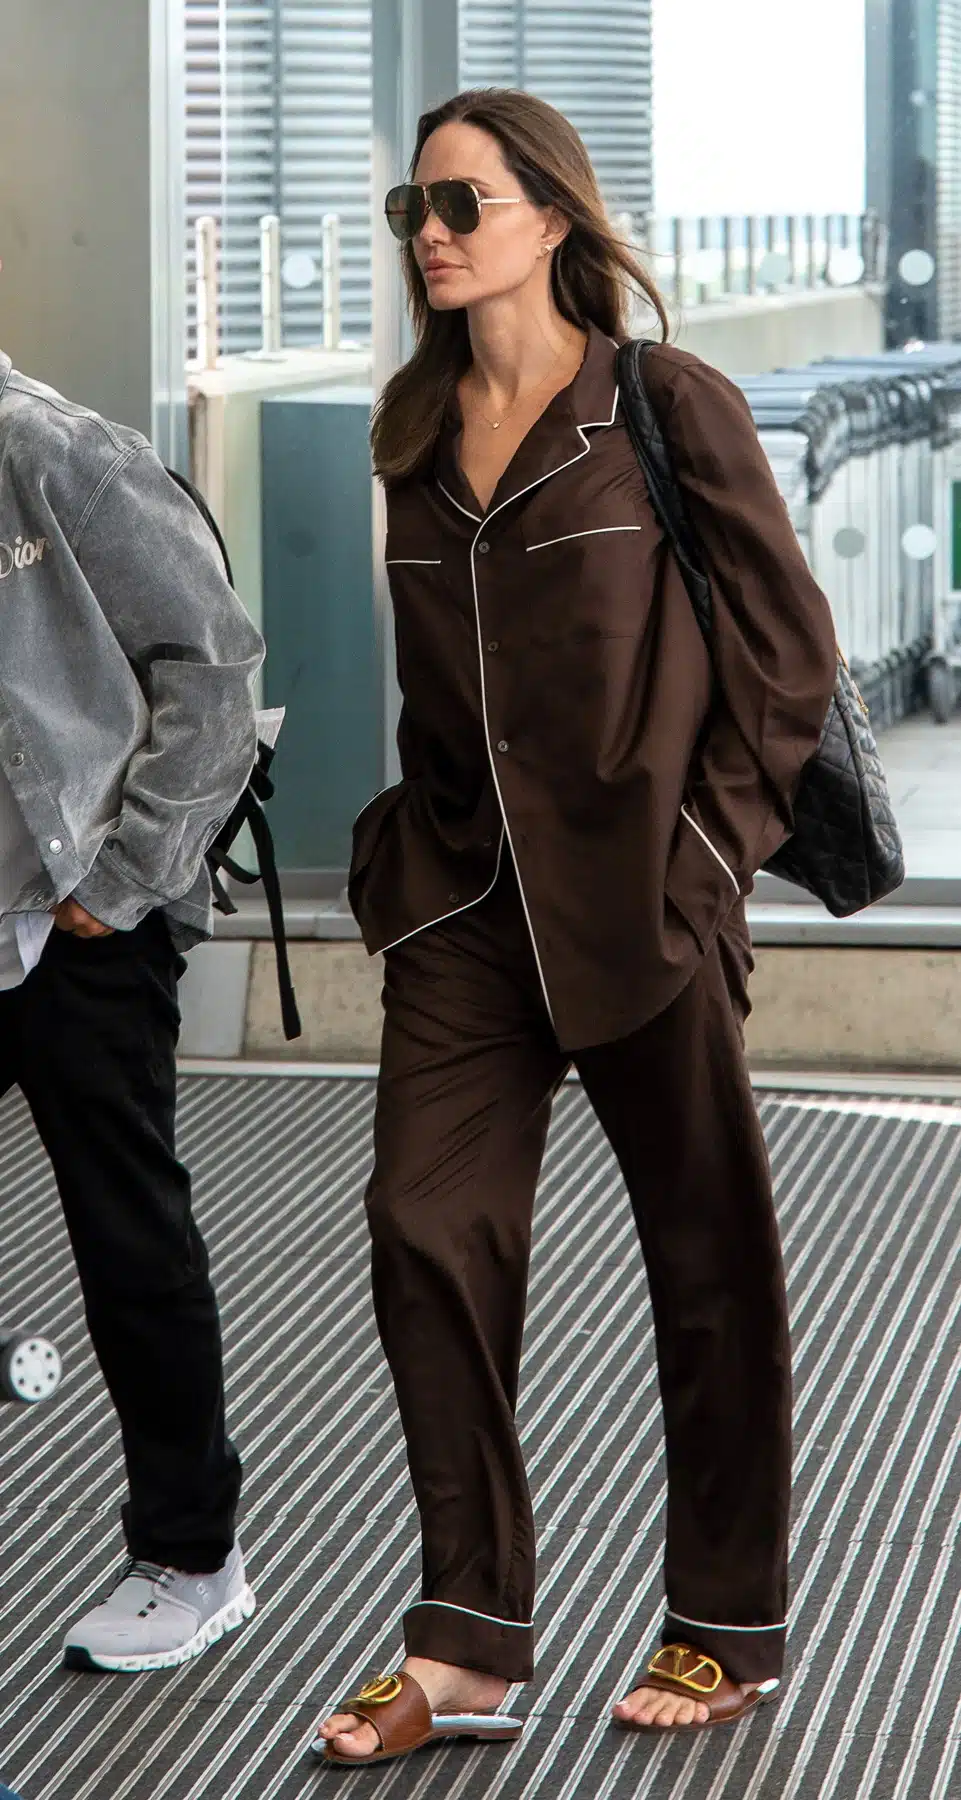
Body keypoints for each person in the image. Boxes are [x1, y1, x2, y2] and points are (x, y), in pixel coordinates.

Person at [314, 87, 837, 1766]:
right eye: (413, 209)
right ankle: (468, 1641)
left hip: (640, 897)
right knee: (424, 1226)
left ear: (551, 216)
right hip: (465, 905)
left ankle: (727, 1627)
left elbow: (789, 656)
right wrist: (406, 861)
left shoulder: (662, 405)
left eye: (461, 202)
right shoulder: (410, 427)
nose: (432, 233)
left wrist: (705, 859)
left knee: (706, 1257)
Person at [0, 345, 263, 1670]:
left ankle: (192, 1558)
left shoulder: (58, 454)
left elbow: (214, 673)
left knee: (127, 1235)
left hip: (75, 927)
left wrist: (123, 881)